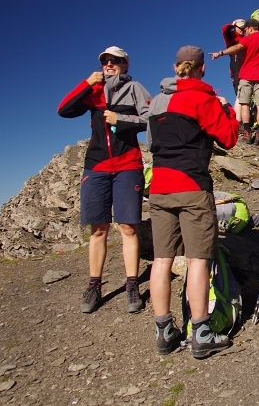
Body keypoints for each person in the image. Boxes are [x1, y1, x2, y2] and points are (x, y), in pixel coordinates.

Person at [147, 45, 239, 359]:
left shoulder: (157, 102)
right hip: (191, 186)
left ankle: (164, 331)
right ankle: (201, 332)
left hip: (158, 187)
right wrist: (228, 110)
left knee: (162, 260)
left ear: (176, 67)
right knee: (198, 260)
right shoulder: (204, 97)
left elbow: (151, 142)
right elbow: (228, 138)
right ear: (201, 68)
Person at [57, 46, 151, 314]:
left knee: (128, 228)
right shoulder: (93, 89)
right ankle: (94, 285)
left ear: (125, 64)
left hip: (127, 165)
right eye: (105, 61)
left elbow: (150, 118)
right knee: (98, 229)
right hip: (96, 166)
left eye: (115, 61)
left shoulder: (135, 89)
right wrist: (87, 83)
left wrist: (119, 118)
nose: (109, 64)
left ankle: (132, 284)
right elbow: (64, 110)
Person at [212, 19, 259, 144]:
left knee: (244, 103)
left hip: (246, 75)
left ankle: (247, 132)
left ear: (250, 28)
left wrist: (221, 53)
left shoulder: (248, 39)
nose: (245, 31)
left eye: (246, 29)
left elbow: (238, 47)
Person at [221, 19, 246, 120]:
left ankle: (242, 120)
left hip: (245, 69)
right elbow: (224, 29)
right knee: (240, 94)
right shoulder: (231, 37)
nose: (242, 30)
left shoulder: (245, 38)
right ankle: (238, 121)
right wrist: (232, 24)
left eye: (244, 28)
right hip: (236, 69)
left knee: (244, 94)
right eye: (240, 28)